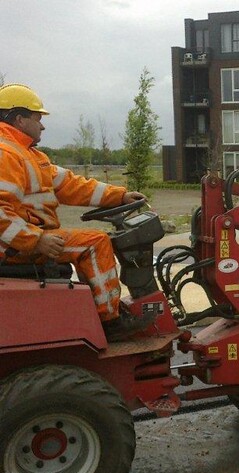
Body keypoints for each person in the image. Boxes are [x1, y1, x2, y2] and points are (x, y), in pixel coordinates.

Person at [0, 83, 152, 341]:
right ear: (20, 119)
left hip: (26, 240)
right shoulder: (6, 155)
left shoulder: (29, 155)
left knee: (91, 239)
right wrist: (37, 241)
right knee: (95, 243)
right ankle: (109, 321)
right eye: (38, 119)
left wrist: (120, 196)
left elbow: (72, 185)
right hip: (16, 247)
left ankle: (99, 311)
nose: (43, 126)